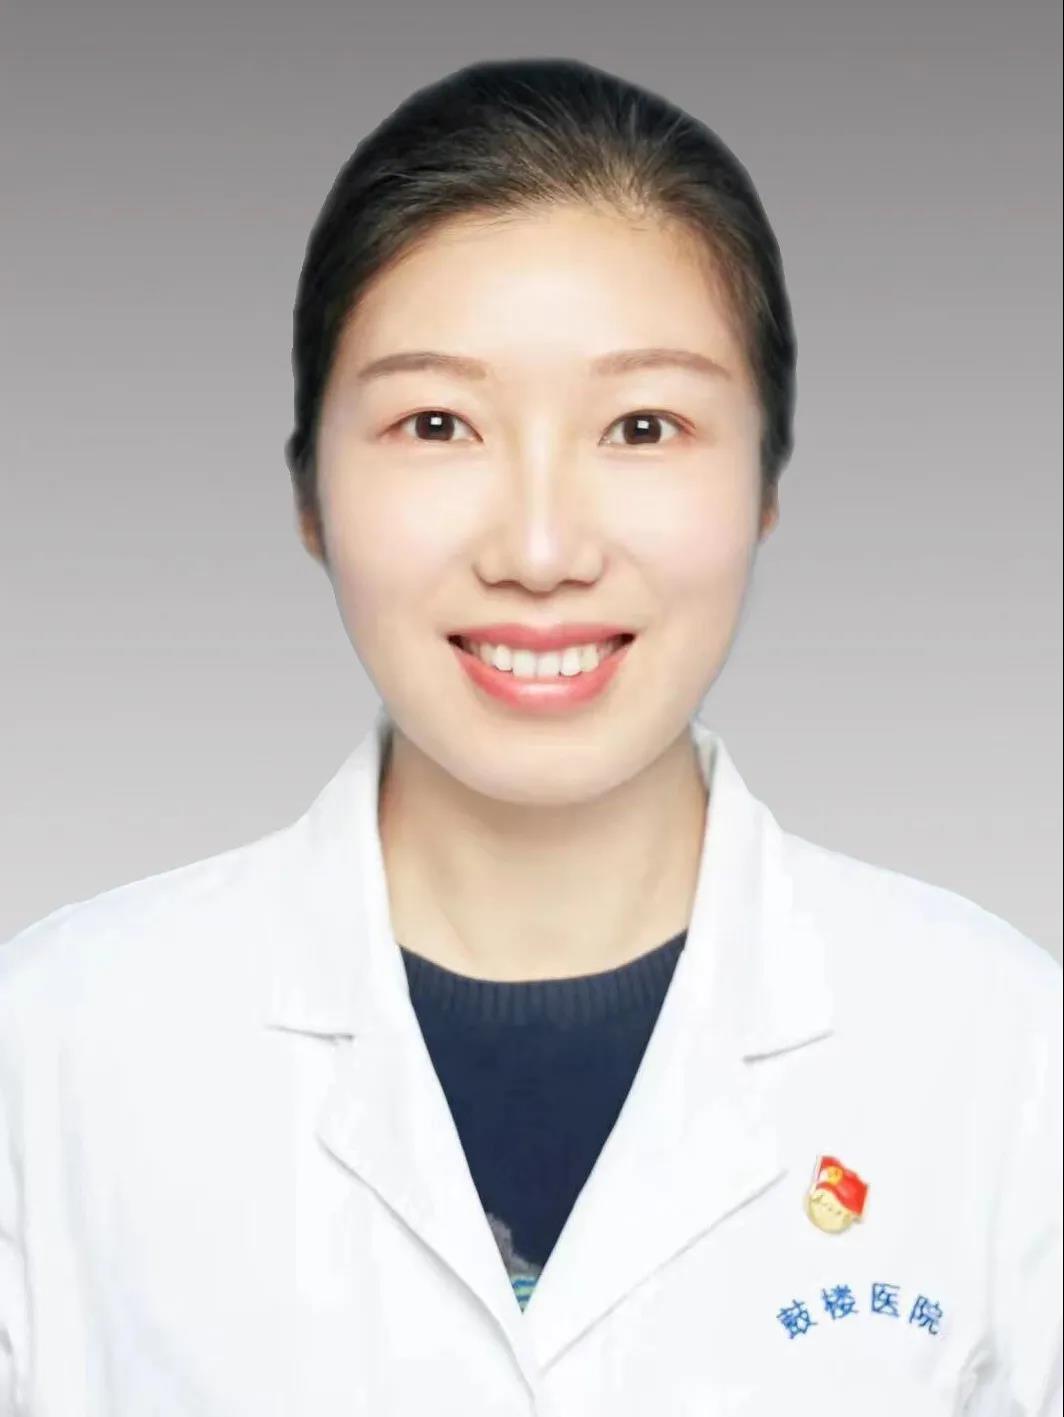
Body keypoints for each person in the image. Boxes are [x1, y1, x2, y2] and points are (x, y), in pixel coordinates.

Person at [0, 55, 1060, 1417]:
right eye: (437, 423)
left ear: (766, 482)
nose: (543, 549)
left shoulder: (1002, 1055)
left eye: (643, 426)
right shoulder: (54, 1053)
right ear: (310, 491)